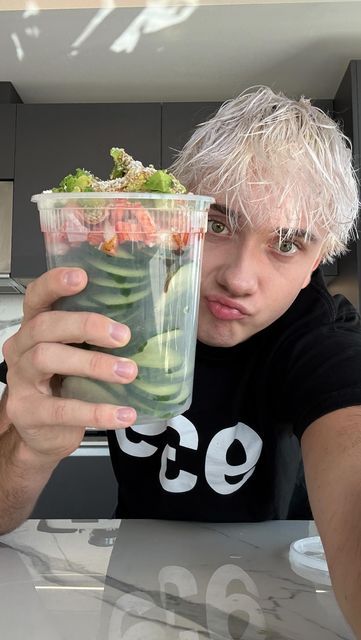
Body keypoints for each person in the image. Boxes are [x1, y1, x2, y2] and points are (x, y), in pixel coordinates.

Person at [1, 85, 361, 636]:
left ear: (318, 261)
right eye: (217, 224)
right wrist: (28, 450)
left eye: (286, 243)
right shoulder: (104, 313)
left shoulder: (320, 339)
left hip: (275, 603)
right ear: (170, 220)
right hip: (129, 604)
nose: (239, 279)